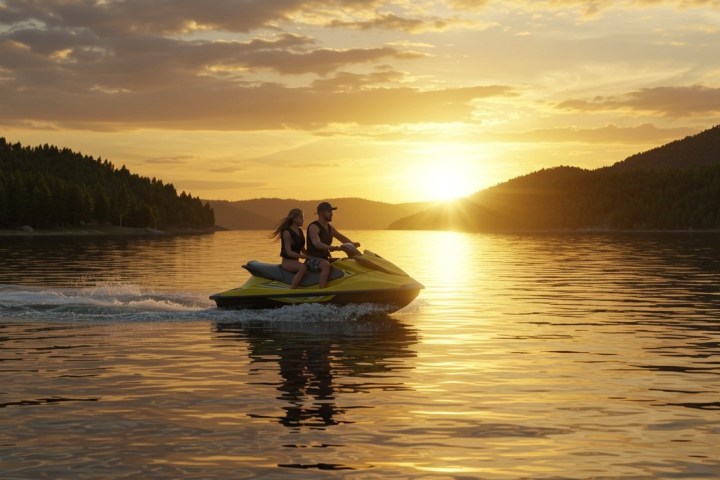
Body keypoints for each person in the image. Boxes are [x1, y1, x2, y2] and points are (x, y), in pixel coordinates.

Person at [306, 201, 361, 288]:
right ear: (321, 213)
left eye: (331, 211)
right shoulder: (314, 227)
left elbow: (341, 237)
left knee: (344, 262)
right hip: (312, 259)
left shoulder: (329, 227)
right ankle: (322, 291)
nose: (331, 214)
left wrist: (352, 244)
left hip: (325, 258)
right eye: (329, 211)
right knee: (326, 266)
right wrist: (330, 247)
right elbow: (316, 243)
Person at [269, 208, 307, 289]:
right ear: (294, 219)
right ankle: (291, 290)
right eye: (301, 217)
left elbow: (302, 249)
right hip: (287, 262)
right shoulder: (287, 232)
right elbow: (289, 252)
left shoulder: (300, 231)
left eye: (303, 217)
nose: (303, 220)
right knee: (303, 268)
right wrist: (302, 256)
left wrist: (313, 255)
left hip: (295, 261)